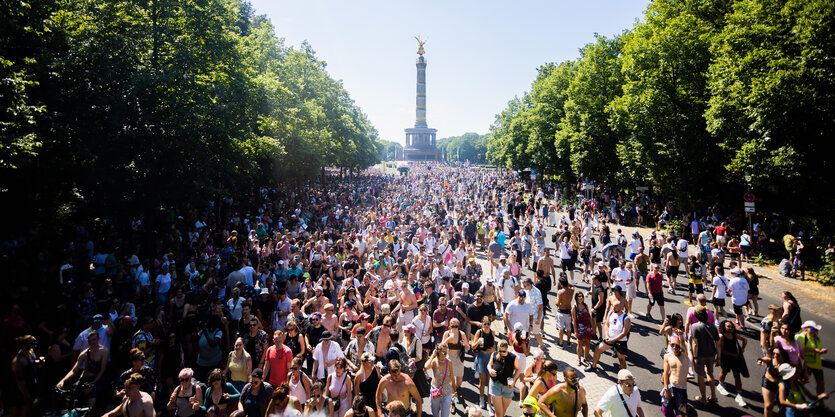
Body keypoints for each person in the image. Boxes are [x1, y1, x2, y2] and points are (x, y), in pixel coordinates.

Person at [57, 330, 109, 408]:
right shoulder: (84, 353)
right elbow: (74, 370)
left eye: (94, 340)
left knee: (91, 402)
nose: (92, 342)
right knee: (73, 400)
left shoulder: (104, 351)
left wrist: (92, 383)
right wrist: (62, 381)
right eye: (90, 340)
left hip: (96, 379)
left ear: (98, 339)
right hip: (84, 378)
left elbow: (102, 369)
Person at [585, 299, 630, 373]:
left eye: (616, 307)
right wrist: (606, 336)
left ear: (621, 308)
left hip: (620, 341)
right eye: (613, 306)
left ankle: (624, 376)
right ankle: (593, 366)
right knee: (597, 349)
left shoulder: (626, 318)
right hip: (609, 339)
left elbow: (624, 333)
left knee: (621, 360)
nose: (613, 308)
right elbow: (607, 324)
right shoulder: (611, 312)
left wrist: (613, 340)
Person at [689, 306, 719, 404]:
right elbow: (718, 344)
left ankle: (703, 398)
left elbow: (695, 344)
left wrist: (695, 357)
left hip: (700, 355)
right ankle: (713, 395)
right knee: (710, 373)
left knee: (701, 375)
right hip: (711, 354)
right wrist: (719, 357)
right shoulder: (713, 327)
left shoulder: (695, 327)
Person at [716, 320, 748, 407]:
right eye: (728, 326)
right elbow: (722, 350)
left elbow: (745, 340)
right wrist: (733, 354)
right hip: (726, 357)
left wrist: (742, 350)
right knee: (724, 372)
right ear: (724, 327)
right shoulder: (722, 336)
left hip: (735, 358)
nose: (731, 328)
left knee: (737, 375)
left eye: (731, 326)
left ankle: (739, 394)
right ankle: (720, 384)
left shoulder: (734, 335)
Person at [488, 340, 521, 417]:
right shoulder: (494, 354)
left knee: (502, 412)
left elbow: (518, 369)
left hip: (508, 385)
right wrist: (490, 370)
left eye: (504, 351)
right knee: (499, 414)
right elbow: (489, 365)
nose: (502, 353)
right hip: (495, 384)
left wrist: (514, 379)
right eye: (500, 351)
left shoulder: (513, 357)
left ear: (507, 349)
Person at [471, 315, 495, 411]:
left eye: (488, 324)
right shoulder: (479, 332)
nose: (486, 325)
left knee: (490, 382)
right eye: (485, 324)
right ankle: (481, 398)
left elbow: (493, 346)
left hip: (490, 358)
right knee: (482, 381)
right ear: (482, 324)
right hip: (481, 358)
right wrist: (477, 342)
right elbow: (473, 346)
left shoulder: (492, 332)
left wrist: (492, 350)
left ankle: (489, 403)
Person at [796, 320, 827, 395]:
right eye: (812, 329)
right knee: (802, 382)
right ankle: (799, 397)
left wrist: (822, 351)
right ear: (806, 328)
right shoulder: (801, 337)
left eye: (816, 329)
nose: (814, 331)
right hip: (806, 364)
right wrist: (813, 350)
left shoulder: (816, 338)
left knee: (821, 383)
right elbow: (799, 350)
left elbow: (817, 348)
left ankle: (820, 400)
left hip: (817, 364)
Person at [661, 334, 689, 417]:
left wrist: (680, 335)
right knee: (665, 409)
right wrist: (666, 389)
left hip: (681, 390)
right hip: (671, 387)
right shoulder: (667, 356)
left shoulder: (684, 355)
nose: (675, 347)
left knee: (680, 414)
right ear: (670, 343)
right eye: (673, 345)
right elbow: (666, 373)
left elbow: (684, 346)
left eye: (677, 345)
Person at [425, 343, 455, 417]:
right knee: (435, 414)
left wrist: (455, 391)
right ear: (438, 352)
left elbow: (452, 376)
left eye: (446, 352)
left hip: (447, 391)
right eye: (444, 352)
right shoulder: (434, 361)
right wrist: (432, 356)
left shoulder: (449, 362)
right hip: (436, 391)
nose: (445, 354)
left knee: (445, 415)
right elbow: (426, 366)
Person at [572, 292, 594, 366]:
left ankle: (586, 358)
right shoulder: (574, 307)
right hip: (579, 326)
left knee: (588, 343)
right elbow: (574, 320)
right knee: (580, 343)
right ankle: (579, 358)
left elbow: (589, 317)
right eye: (579, 296)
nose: (581, 297)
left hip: (587, 326)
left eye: (581, 296)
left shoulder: (585, 305)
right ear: (576, 297)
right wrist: (575, 331)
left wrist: (593, 327)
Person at [555, 275, 574, 348]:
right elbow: (573, 286)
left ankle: (561, 343)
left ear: (561, 284)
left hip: (561, 311)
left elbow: (558, 303)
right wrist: (568, 283)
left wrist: (556, 300)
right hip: (568, 312)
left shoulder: (560, 292)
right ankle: (569, 342)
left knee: (561, 328)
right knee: (569, 328)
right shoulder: (571, 291)